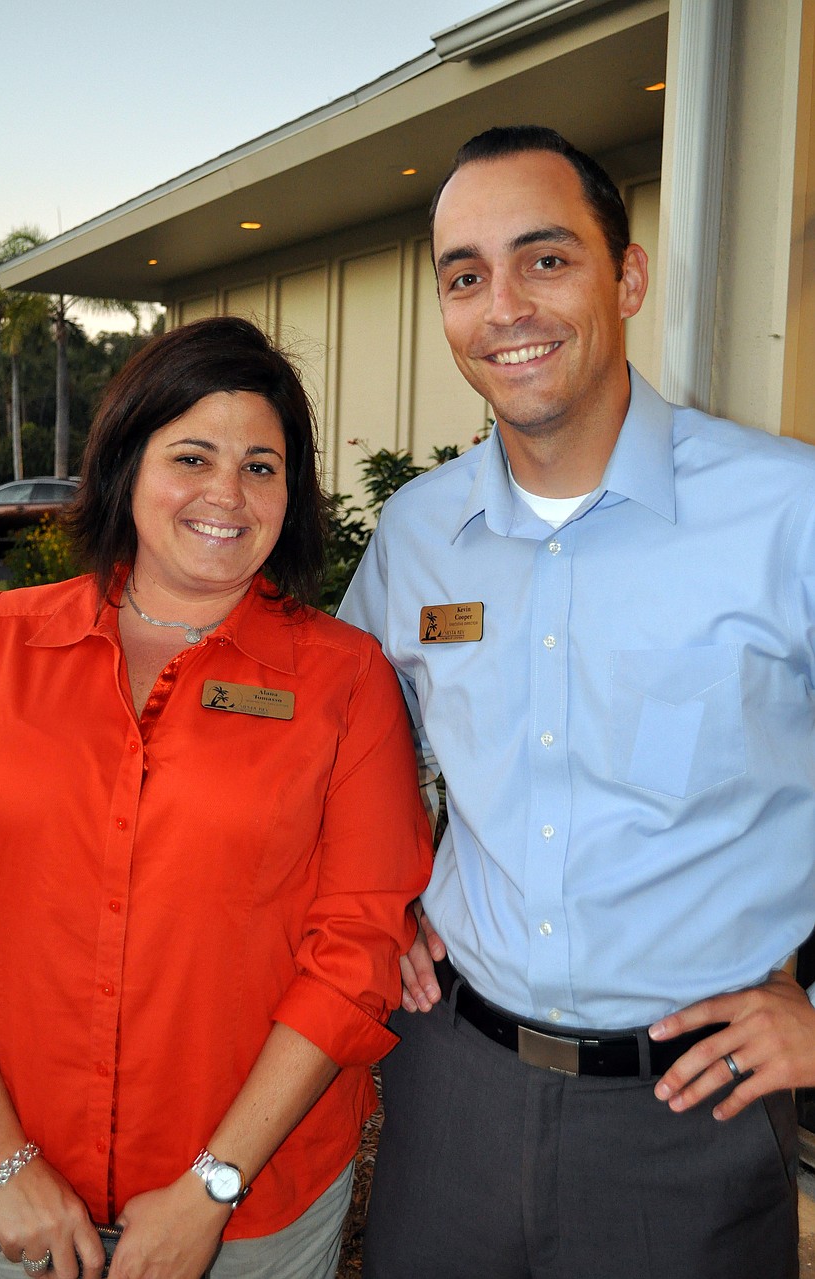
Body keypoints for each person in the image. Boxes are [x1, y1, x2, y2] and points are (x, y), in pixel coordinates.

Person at [338, 125, 815, 1279]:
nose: (503, 305)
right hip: (450, 1082)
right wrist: (379, 902)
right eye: (464, 275)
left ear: (627, 277)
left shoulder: (785, 512)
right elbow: (338, 742)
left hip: (689, 1114)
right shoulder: (418, 536)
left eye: (544, 259)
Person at [0, 316, 432, 1279]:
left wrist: (211, 1186)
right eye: (193, 454)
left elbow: (357, 951)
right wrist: (0, 1162)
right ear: (128, 462)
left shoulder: (347, 682)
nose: (227, 493)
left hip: (249, 1213)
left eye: (262, 465)